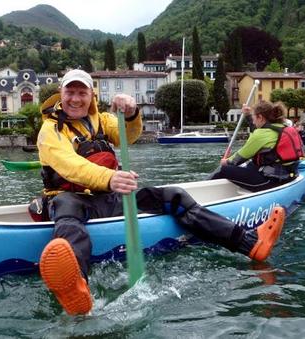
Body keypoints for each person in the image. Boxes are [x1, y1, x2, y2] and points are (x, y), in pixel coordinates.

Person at [36, 69, 286, 316]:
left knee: (173, 196)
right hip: (68, 198)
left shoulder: (102, 119)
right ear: (61, 93)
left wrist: (132, 113)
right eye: (70, 92)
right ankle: (76, 286)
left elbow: (130, 136)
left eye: (82, 92)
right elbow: (69, 165)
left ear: (92, 95)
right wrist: (110, 178)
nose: (75, 99)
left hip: (108, 196)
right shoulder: (50, 129)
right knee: (68, 211)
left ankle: (251, 244)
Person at [210, 101, 305, 192]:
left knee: (224, 169)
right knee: (251, 165)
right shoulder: (284, 127)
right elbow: (258, 131)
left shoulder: (261, 134)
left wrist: (225, 162)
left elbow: (238, 159)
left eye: (253, 117)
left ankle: (202, 192)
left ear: (260, 117)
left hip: (271, 181)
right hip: (290, 175)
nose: (254, 122)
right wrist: (248, 115)